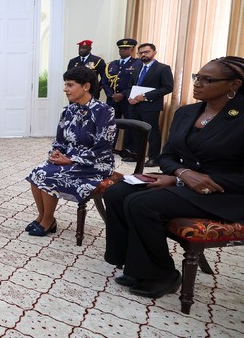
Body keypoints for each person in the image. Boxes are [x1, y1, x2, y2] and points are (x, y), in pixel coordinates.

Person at [103, 56, 244, 298]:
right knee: (117, 191)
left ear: (234, 85)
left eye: (207, 80)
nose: (197, 83)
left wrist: (186, 178)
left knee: (142, 203)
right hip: (184, 182)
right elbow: (167, 156)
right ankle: (133, 263)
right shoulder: (186, 112)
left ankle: (162, 274)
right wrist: (180, 174)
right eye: (196, 77)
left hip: (225, 193)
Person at [25, 66, 116, 236]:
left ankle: (48, 221)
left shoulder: (104, 111)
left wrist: (71, 160)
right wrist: (56, 152)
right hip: (69, 159)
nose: (65, 89)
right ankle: (42, 216)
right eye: (65, 84)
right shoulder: (68, 110)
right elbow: (60, 140)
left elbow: (103, 147)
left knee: (47, 174)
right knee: (36, 171)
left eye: (70, 85)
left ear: (86, 86)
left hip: (96, 163)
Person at [122, 43, 174, 167]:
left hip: (150, 106)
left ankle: (154, 158)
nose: (143, 55)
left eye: (146, 52)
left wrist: (145, 96)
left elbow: (168, 87)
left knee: (152, 132)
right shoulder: (137, 68)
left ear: (154, 52)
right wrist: (130, 96)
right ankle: (138, 155)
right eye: (141, 53)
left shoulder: (163, 68)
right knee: (136, 131)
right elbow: (130, 86)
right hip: (134, 105)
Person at [100, 38, 141, 157]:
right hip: (112, 100)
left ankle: (128, 149)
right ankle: (109, 147)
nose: (123, 50)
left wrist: (123, 94)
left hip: (128, 99)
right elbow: (104, 82)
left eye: (126, 48)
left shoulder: (138, 64)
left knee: (129, 125)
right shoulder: (112, 64)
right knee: (111, 124)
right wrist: (111, 95)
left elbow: (137, 83)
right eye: (121, 48)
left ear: (132, 49)